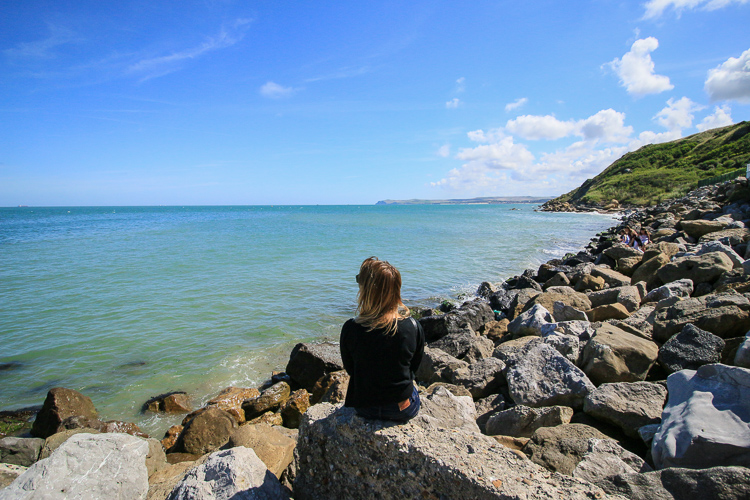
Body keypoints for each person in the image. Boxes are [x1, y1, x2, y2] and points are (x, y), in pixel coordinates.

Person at [340, 256, 425, 423]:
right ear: (396, 290)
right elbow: (413, 367)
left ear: (365, 290)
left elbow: (351, 369)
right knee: (413, 390)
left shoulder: (350, 328)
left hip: (364, 407)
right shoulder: (413, 326)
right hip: (401, 409)